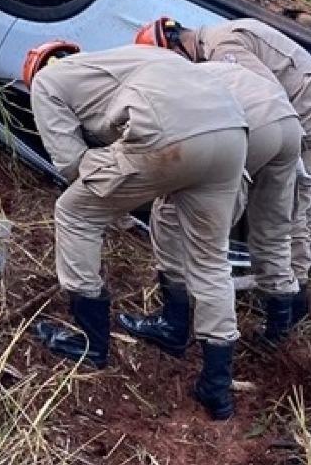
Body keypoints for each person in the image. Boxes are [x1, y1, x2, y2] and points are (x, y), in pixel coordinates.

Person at [24, 41, 248, 420]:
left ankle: (90, 343)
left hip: (168, 133)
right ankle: (216, 385)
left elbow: (72, 167)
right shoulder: (130, 57)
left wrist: (115, 203)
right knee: (211, 261)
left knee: (75, 212)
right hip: (230, 132)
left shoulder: (47, 82)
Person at [135, 17, 311, 326]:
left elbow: (264, 95)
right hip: (296, 114)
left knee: (294, 206)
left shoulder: (221, 48)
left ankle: (295, 299)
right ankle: (281, 295)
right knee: (281, 207)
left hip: (310, 114)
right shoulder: (218, 39)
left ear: (176, 47)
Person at [119, 58, 303, 349]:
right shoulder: (211, 68)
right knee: (273, 230)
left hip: (248, 127)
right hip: (288, 126)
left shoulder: (151, 86)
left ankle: (173, 324)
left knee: (169, 211)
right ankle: (279, 332)